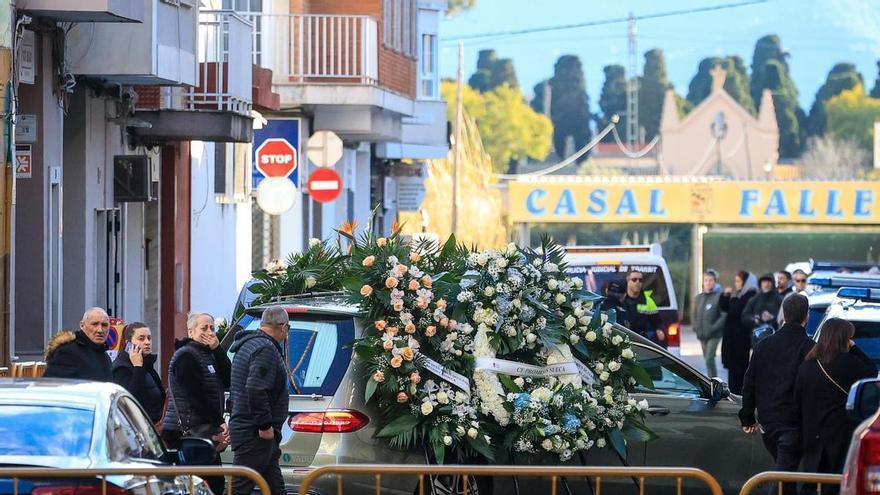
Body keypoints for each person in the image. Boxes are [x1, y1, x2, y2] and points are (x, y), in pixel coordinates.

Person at [739, 293, 815, 495]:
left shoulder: (763, 345)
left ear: (783, 314)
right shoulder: (810, 348)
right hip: (794, 425)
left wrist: (747, 417)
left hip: (767, 423)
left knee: (785, 476)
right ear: (806, 317)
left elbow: (749, 382)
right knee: (783, 478)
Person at [795, 318, 877, 495]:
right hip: (838, 433)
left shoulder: (807, 365)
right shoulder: (849, 363)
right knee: (833, 484)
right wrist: (855, 348)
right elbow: (871, 371)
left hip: (810, 434)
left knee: (810, 483)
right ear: (843, 339)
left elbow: (798, 400)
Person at [162, 312, 231, 495]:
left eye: (212, 328)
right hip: (186, 433)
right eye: (204, 328)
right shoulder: (186, 356)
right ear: (191, 332)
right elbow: (196, 395)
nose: (209, 332)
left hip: (202, 432)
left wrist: (217, 349)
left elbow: (229, 379)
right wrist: (219, 422)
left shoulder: (208, 355)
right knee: (201, 485)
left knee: (214, 484)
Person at [229, 307, 290, 495]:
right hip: (254, 433)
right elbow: (255, 388)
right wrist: (265, 426)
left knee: (275, 488)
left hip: (252, 430)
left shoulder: (248, 344)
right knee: (241, 488)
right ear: (282, 327)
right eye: (288, 327)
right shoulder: (265, 348)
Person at [112, 322, 165, 425]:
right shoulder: (122, 368)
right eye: (141, 339)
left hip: (154, 426)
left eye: (149, 338)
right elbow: (130, 401)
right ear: (128, 344)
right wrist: (138, 367)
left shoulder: (147, 364)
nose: (147, 342)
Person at [44, 307, 113, 381]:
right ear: (82, 325)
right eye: (94, 324)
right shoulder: (67, 352)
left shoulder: (105, 355)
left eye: (104, 325)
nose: (100, 330)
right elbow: (53, 385)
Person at [720, 272, 758, 394]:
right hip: (733, 342)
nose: (736, 284)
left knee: (738, 374)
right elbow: (726, 308)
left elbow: (736, 310)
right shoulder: (741, 295)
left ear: (746, 282)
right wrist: (726, 296)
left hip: (740, 342)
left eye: (738, 281)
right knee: (733, 373)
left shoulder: (750, 296)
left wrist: (732, 299)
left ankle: (738, 397)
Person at [693, 269, 726, 377]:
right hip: (702, 335)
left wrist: (713, 328)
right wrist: (696, 328)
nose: (708, 283)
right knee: (707, 360)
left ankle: (715, 384)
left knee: (709, 359)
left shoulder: (719, 296)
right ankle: (711, 380)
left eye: (711, 280)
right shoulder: (698, 298)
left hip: (714, 335)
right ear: (703, 282)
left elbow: (724, 315)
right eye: (706, 280)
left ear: (715, 282)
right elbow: (694, 315)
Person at [620, 269, 665, 347]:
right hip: (622, 342)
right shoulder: (620, 300)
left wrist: (659, 330)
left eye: (640, 280)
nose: (638, 282)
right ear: (628, 281)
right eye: (634, 280)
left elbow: (657, 322)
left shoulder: (648, 301)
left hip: (642, 343)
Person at [742, 273, 783, 339]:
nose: (766, 284)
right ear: (760, 284)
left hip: (775, 336)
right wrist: (754, 319)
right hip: (757, 337)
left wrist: (772, 318)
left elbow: (785, 317)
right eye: (764, 282)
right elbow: (745, 316)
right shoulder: (754, 299)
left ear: (773, 283)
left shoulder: (779, 299)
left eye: (769, 281)